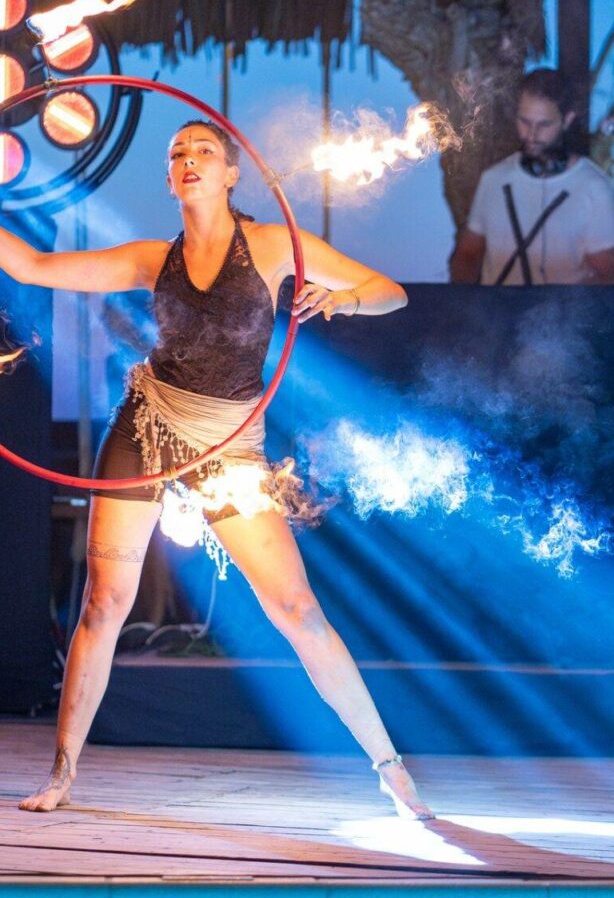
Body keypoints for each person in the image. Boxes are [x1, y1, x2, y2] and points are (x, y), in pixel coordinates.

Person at [3, 119, 433, 820]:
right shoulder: (152, 258)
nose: (189, 159)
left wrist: (344, 297)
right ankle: (61, 773)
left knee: (296, 609)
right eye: (177, 154)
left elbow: (391, 292)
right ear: (170, 180)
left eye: (204, 150)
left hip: (229, 446)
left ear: (232, 174)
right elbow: (31, 267)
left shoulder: (269, 247)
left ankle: (390, 769)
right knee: (104, 602)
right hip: (146, 427)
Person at [450, 68, 614, 285]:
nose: (531, 134)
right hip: (496, 315)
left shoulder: (594, 187)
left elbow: (606, 273)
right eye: (524, 122)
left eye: (544, 124)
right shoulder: (493, 180)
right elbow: (468, 255)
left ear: (567, 119)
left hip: (562, 317)